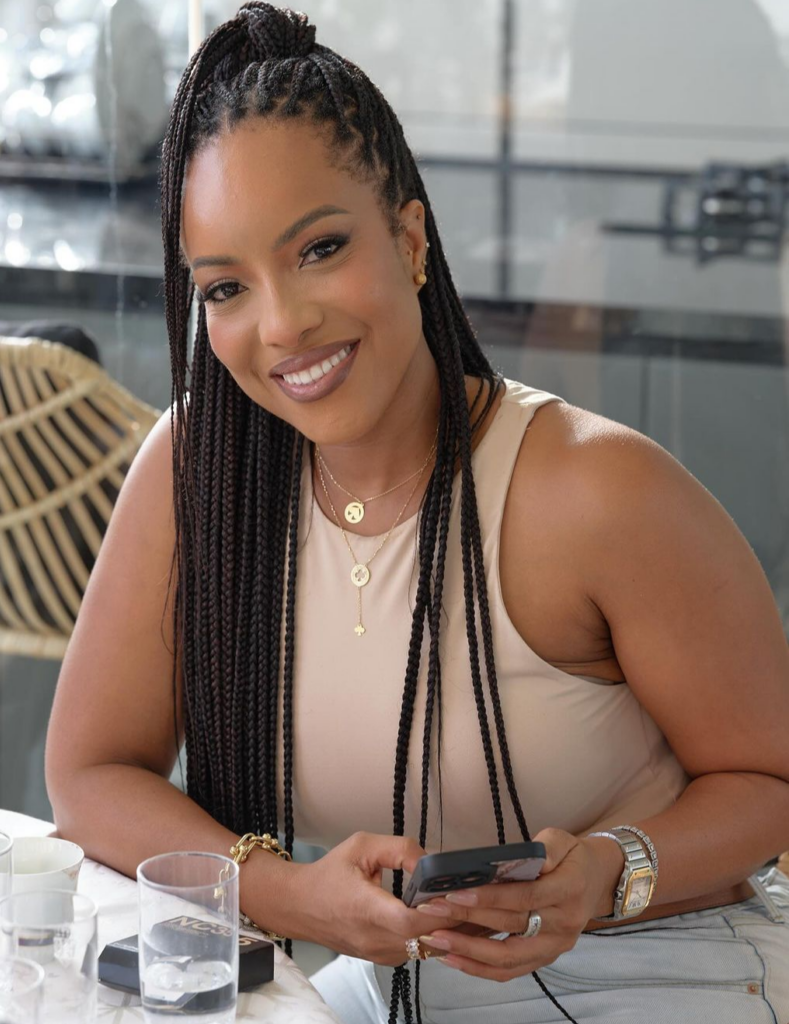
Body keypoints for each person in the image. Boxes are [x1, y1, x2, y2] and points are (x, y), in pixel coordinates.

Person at [44, 4, 789, 1022]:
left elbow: (770, 778)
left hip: (661, 963)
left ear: (408, 238)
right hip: (404, 981)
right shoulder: (197, 474)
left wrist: (607, 871)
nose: (282, 323)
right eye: (224, 289)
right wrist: (287, 893)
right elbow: (89, 774)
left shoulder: (594, 492)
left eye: (318, 248)